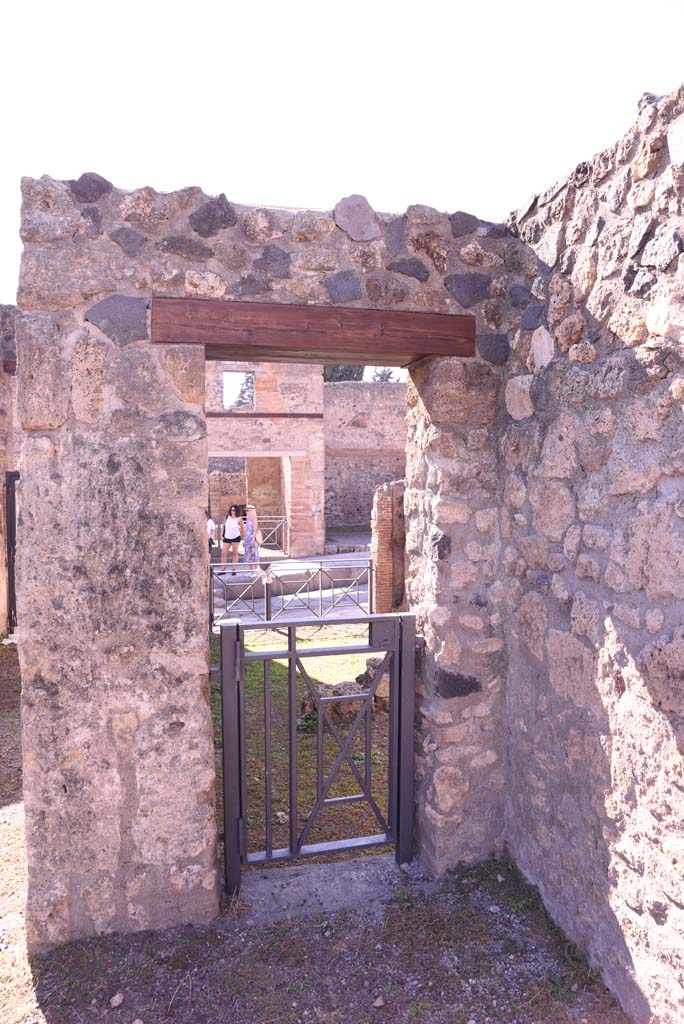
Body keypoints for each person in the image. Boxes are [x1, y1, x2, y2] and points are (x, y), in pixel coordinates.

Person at [221, 504, 242, 572]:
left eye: (234, 510)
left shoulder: (239, 519)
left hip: (236, 538)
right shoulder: (227, 517)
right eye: (231, 510)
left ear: (236, 511)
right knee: (223, 553)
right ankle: (223, 568)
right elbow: (223, 526)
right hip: (227, 537)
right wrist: (221, 535)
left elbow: (243, 529)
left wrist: (239, 534)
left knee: (235, 553)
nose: (232, 511)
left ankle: (234, 569)